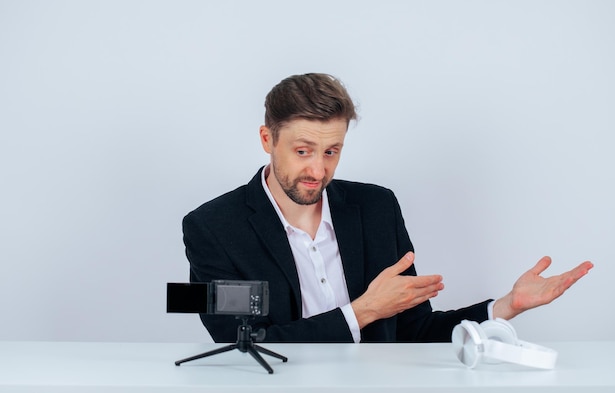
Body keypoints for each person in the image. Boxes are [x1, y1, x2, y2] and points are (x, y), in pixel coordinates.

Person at [182, 73, 593, 343]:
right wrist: (363, 311)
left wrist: (505, 307)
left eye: (332, 151)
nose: (317, 169)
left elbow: (413, 331)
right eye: (303, 150)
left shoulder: (376, 206)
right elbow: (239, 343)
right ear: (267, 139)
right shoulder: (210, 227)